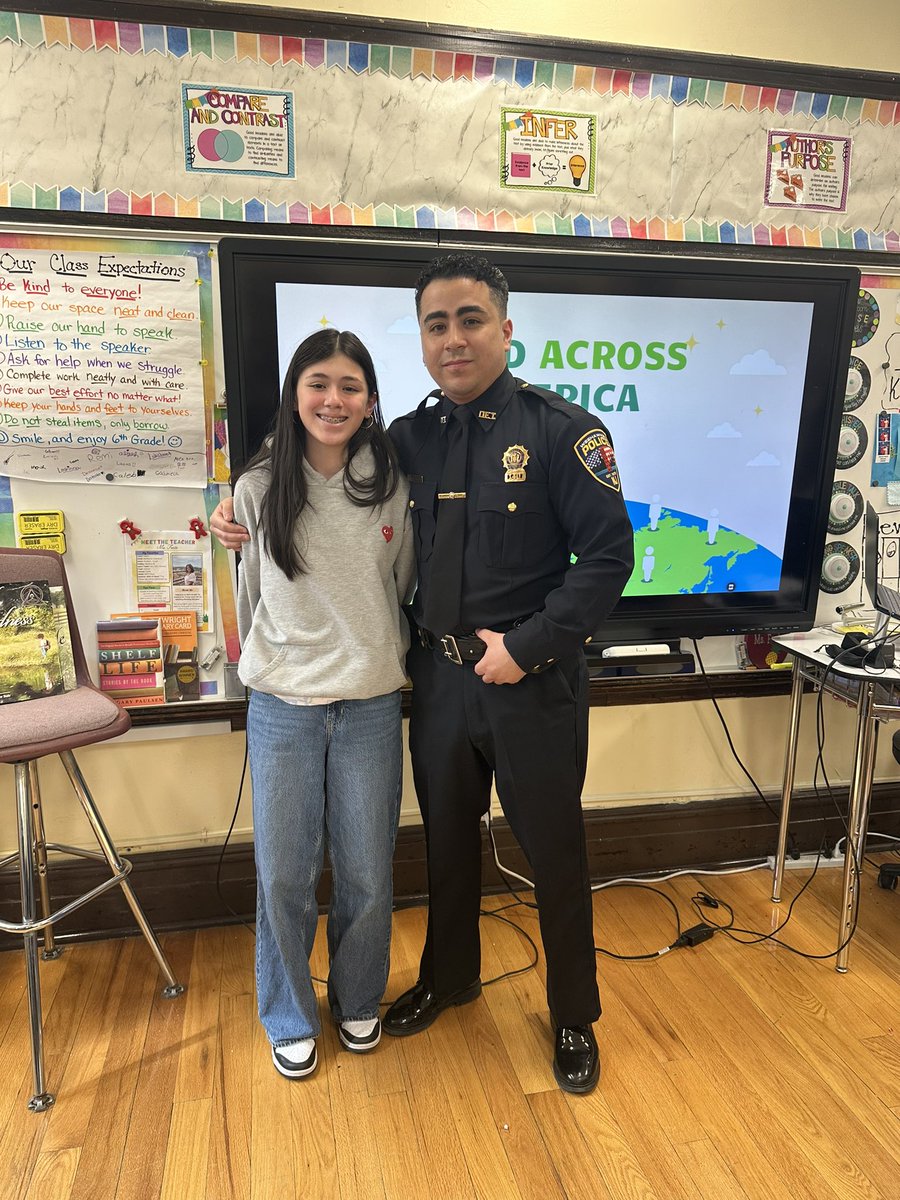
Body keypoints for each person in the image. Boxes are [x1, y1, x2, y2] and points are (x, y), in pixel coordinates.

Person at [212, 253, 634, 1094]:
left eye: (470, 319)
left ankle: (574, 1016)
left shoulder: (563, 431)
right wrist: (234, 507)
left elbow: (609, 558)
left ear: (505, 329)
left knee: (553, 852)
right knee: (445, 848)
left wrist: (529, 645)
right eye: (436, 324)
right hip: (436, 683)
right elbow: (308, 456)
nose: (453, 338)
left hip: (530, 680)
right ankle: (449, 976)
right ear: (422, 337)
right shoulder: (406, 438)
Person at [232, 327, 414, 1081]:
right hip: (283, 705)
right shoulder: (255, 487)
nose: (333, 399)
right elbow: (249, 601)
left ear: (370, 400)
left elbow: (399, 584)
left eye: (349, 386)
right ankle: (287, 1013)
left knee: (369, 868)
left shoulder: (391, 480)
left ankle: (358, 997)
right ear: (295, 393)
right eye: (318, 383)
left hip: (371, 701)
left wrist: (366, 650)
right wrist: (281, 665)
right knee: (284, 871)